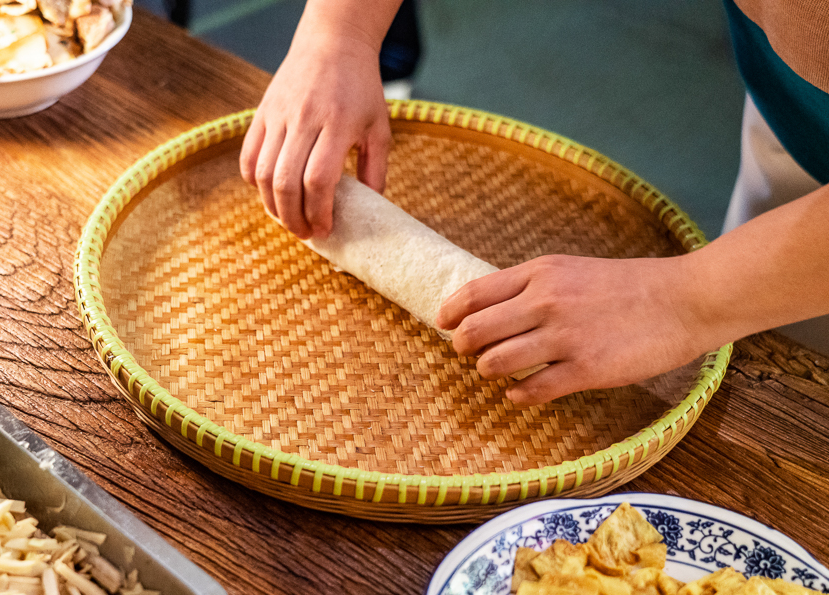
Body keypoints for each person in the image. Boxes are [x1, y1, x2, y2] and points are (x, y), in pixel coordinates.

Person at [239, 0, 829, 407]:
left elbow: (695, 303)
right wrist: (340, 34)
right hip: (794, 119)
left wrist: (682, 299)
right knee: (771, 381)